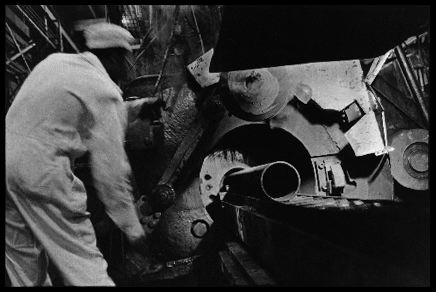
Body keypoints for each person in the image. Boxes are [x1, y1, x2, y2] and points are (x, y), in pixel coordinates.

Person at [6, 22, 162, 286]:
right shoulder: (104, 90)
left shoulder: (56, 63)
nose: (131, 64)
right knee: (83, 262)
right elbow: (111, 175)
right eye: (128, 57)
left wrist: (137, 108)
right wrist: (133, 230)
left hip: (8, 166)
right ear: (114, 57)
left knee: (24, 268)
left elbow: (76, 111)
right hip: (43, 174)